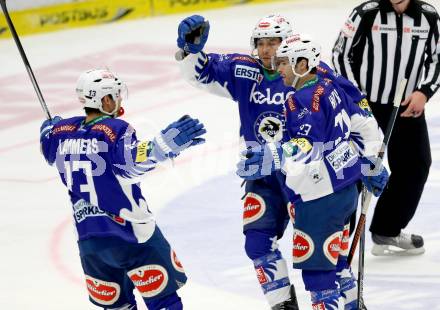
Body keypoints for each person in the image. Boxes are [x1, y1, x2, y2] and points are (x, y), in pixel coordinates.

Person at [176, 13, 370, 310]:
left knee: (326, 256)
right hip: (262, 174)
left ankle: (351, 303)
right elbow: (201, 73)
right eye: (261, 43)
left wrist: (369, 160)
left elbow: (355, 111)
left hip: (308, 179)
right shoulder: (243, 70)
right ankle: (282, 304)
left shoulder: (312, 73)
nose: (267, 50)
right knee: (256, 242)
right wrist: (190, 52)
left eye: (274, 43)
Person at [237, 35, 388, 309]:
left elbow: (307, 143)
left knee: (319, 276)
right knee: (334, 260)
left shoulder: (300, 100)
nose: (278, 67)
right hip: (344, 191)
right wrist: (370, 163)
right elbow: (363, 124)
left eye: (284, 62)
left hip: (320, 196)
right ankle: (353, 305)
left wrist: (273, 155)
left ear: (302, 64)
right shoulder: (331, 87)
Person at [39, 69, 206, 310]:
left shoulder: (60, 133)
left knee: (117, 307)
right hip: (131, 235)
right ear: (105, 100)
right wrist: (163, 145)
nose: (119, 100)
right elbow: (130, 164)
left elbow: (47, 146)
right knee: (164, 302)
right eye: (115, 95)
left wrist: (48, 129)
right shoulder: (115, 129)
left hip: (91, 243)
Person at [332, 0, 440, 256]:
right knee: (352, 168)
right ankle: (337, 237)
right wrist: (356, 97)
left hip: (405, 105)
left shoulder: (428, 17)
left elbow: (438, 59)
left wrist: (424, 92)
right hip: (363, 105)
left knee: (415, 165)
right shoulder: (365, 13)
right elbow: (340, 55)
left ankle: (387, 229)